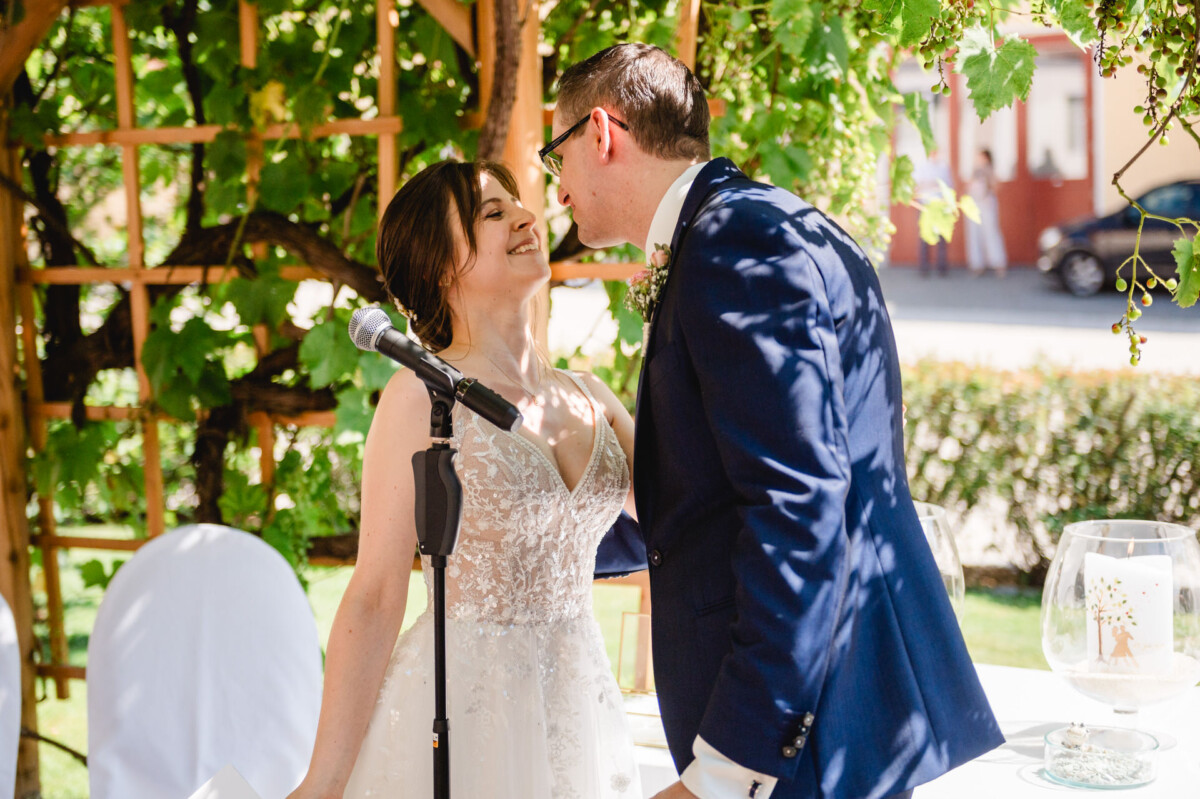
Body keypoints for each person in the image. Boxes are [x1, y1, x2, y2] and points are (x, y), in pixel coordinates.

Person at [546, 43, 1004, 799]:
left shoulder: (733, 245)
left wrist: (730, 766)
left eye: (554, 155)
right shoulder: (769, 225)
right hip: (838, 714)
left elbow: (799, 505)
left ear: (601, 133)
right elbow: (718, 491)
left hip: (806, 741)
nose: (556, 187)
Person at [287, 160, 642, 798]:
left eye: (518, 203)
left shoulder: (591, 396)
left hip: (580, 703)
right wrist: (324, 781)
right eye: (492, 213)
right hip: (464, 711)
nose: (526, 217)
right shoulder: (418, 397)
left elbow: (688, 519)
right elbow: (374, 594)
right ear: (440, 265)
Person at [965, 148, 1008, 277]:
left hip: (987, 203)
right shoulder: (974, 171)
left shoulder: (990, 170)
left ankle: (998, 263)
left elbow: (996, 184)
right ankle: (977, 264)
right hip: (974, 203)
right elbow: (969, 186)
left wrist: (988, 192)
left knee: (991, 232)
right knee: (974, 234)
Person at [913, 149, 953, 277]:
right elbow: (917, 186)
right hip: (926, 205)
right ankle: (924, 267)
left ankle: (942, 266)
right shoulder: (922, 166)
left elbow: (949, 186)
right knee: (925, 236)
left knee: (942, 237)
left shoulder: (943, 167)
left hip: (940, 205)